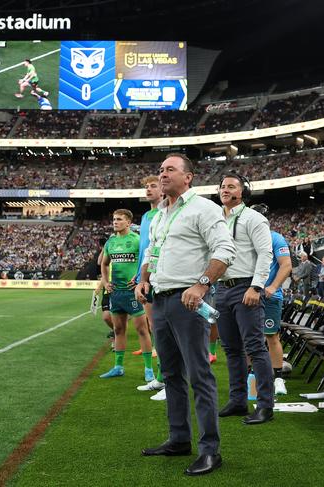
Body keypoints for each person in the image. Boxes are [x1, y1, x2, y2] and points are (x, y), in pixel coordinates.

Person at [136, 153, 236, 476]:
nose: (162, 175)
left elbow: (225, 250)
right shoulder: (160, 215)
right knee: (170, 374)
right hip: (161, 302)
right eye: (160, 170)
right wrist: (144, 279)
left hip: (188, 302)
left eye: (170, 170)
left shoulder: (203, 208)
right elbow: (153, 251)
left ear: (188, 177)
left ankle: (210, 450)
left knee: (199, 376)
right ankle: (179, 438)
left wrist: (202, 284)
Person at [215, 174, 274, 425]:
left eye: (231, 186)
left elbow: (265, 253)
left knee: (255, 347)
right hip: (221, 288)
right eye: (222, 186)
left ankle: (265, 405)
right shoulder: (216, 218)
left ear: (243, 191)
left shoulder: (253, 218)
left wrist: (256, 286)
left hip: (245, 287)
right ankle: (238, 400)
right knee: (230, 348)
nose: (225, 190)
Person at [100, 209, 152, 381]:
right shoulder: (111, 242)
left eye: (119, 219)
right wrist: (106, 282)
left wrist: (139, 278)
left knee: (142, 330)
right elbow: (105, 263)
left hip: (133, 292)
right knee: (118, 329)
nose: (115, 222)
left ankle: (148, 369)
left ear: (129, 222)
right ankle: (118, 367)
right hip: (116, 293)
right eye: (114, 219)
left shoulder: (137, 240)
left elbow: (147, 260)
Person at [250, 203, 293, 395]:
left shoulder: (275, 238)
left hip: (269, 296)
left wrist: (273, 286)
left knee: (271, 335)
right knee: (249, 338)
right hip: (248, 295)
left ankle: (278, 379)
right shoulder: (245, 239)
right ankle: (251, 377)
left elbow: (286, 265)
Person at [134, 175, 165, 399]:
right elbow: (145, 249)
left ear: (162, 190)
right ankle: (161, 378)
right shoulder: (145, 216)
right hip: (144, 277)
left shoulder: (165, 212)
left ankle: (168, 380)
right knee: (155, 329)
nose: (148, 189)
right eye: (146, 186)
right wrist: (139, 277)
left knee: (164, 331)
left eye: (153, 186)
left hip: (161, 277)